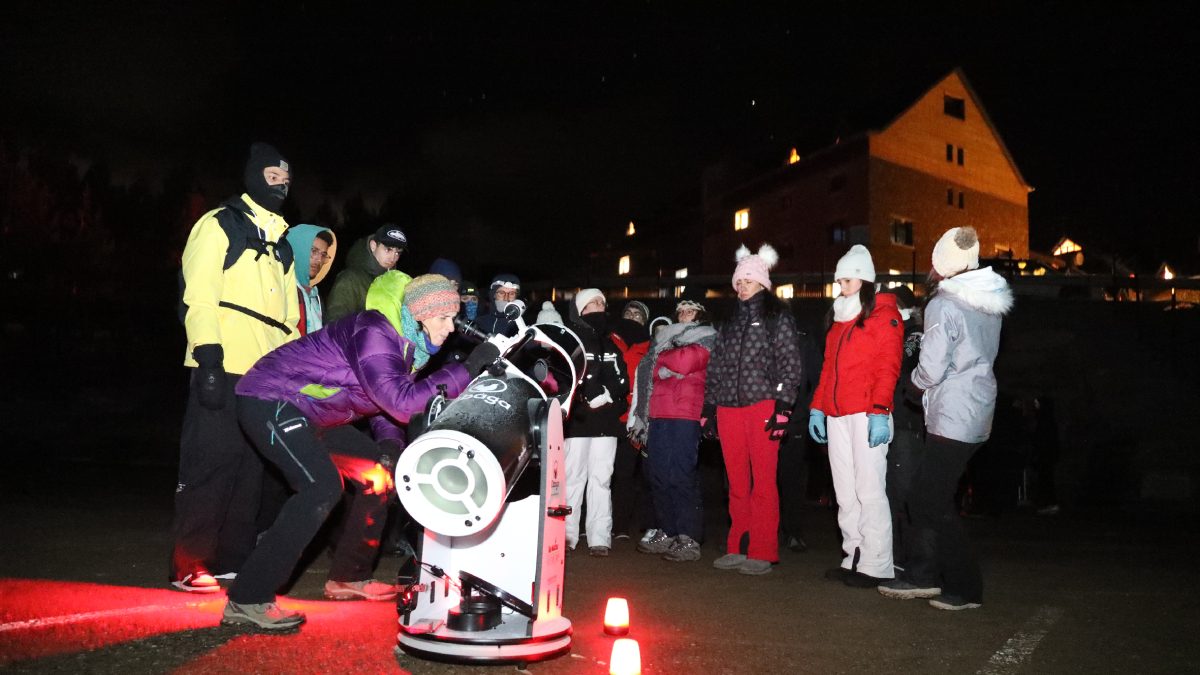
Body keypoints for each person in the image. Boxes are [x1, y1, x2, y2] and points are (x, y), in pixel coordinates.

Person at [223, 274, 499, 630]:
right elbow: (402, 404)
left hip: (314, 414)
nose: (451, 329)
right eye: (444, 318)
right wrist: (468, 368)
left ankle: (347, 576)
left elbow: (382, 401)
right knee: (320, 488)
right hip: (269, 398)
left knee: (379, 475)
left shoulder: (406, 345)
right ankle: (248, 597)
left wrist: (388, 445)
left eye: (454, 318)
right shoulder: (374, 331)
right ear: (420, 314)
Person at [171, 142, 300, 593]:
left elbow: (287, 322)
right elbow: (199, 295)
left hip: (264, 377)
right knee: (212, 460)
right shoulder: (219, 224)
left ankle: (231, 558)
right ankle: (190, 562)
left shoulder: (282, 245)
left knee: (251, 468)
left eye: (286, 181)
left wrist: (294, 375)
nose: (280, 187)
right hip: (223, 361)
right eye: (272, 178)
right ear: (252, 177)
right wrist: (207, 355)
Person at [878, 227, 1012, 611]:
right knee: (931, 496)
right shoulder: (988, 302)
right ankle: (934, 578)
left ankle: (964, 587)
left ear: (939, 263)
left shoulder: (944, 304)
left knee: (926, 500)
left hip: (952, 412)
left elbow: (932, 365)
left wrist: (913, 386)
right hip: (977, 407)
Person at [704, 245, 803, 576]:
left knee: (763, 481)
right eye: (739, 280)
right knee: (735, 481)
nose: (742, 285)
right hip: (728, 410)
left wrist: (784, 407)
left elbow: (791, 364)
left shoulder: (777, 319)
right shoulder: (728, 324)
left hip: (762, 405)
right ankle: (737, 546)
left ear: (762, 283)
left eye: (748, 280)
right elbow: (715, 367)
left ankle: (762, 549)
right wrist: (708, 408)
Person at [809, 245, 903, 589]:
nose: (839, 286)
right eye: (838, 280)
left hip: (866, 414)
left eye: (845, 279)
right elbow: (827, 371)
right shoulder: (839, 321)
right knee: (845, 492)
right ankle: (854, 556)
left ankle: (877, 564)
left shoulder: (884, 318)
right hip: (837, 415)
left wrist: (880, 411)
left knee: (869, 490)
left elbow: (888, 368)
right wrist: (817, 407)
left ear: (863, 279)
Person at [628, 297, 717, 562]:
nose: (683, 314)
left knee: (681, 475)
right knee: (658, 476)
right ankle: (668, 531)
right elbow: (648, 366)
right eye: (680, 311)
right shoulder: (665, 338)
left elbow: (686, 363)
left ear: (700, 313)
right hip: (657, 413)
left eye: (690, 310)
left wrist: (662, 359)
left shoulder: (708, 336)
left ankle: (688, 536)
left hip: (685, 414)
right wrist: (666, 361)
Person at [564, 289, 631, 556]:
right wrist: (585, 394)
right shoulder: (571, 342)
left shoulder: (611, 345)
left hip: (605, 422)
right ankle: (567, 535)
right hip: (578, 422)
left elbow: (622, 379)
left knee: (601, 479)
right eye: (593, 303)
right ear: (579, 310)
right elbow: (565, 375)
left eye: (603, 303)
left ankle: (600, 537)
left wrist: (608, 394)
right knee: (573, 478)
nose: (599, 308)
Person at [882, 284, 924, 569]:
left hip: (906, 422)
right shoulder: (889, 331)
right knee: (887, 492)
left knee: (905, 493)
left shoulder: (913, 335)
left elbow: (901, 364)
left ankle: (910, 558)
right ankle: (893, 556)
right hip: (888, 420)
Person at [775, 314, 823, 554]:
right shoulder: (760, 337)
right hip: (761, 419)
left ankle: (793, 532)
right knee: (760, 479)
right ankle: (758, 531)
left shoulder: (803, 341)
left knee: (792, 478)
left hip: (794, 420)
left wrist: (806, 411)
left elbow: (817, 377)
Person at [609, 301, 653, 542]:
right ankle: (595, 524)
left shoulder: (650, 347)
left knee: (625, 473)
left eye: (638, 315)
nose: (632, 317)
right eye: (628, 313)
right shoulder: (609, 339)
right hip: (607, 416)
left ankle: (621, 525)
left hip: (633, 419)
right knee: (601, 473)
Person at [326, 224, 408, 322]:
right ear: (373, 246)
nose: (393, 258)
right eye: (388, 249)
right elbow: (334, 322)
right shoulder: (349, 278)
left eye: (398, 252)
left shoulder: (397, 283)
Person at [284, 225, 337, 336]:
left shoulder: (314, 296)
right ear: (296, 249)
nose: (319, 260)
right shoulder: (281, 290)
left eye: (323, 255)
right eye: (313, 251)